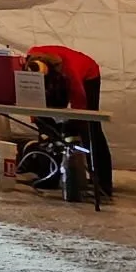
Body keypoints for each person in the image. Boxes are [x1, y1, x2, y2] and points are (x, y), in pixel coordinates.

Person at [25, 44, 113, 197]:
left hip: (88, 73)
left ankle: (103, 182)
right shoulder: (30, 60)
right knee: (46, 128)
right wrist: (40, 122)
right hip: (55, 75)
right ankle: (50, 174)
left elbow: (81, 106)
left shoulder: (70, 72)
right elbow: (30, 94)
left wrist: (72, 127)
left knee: (91, 127)